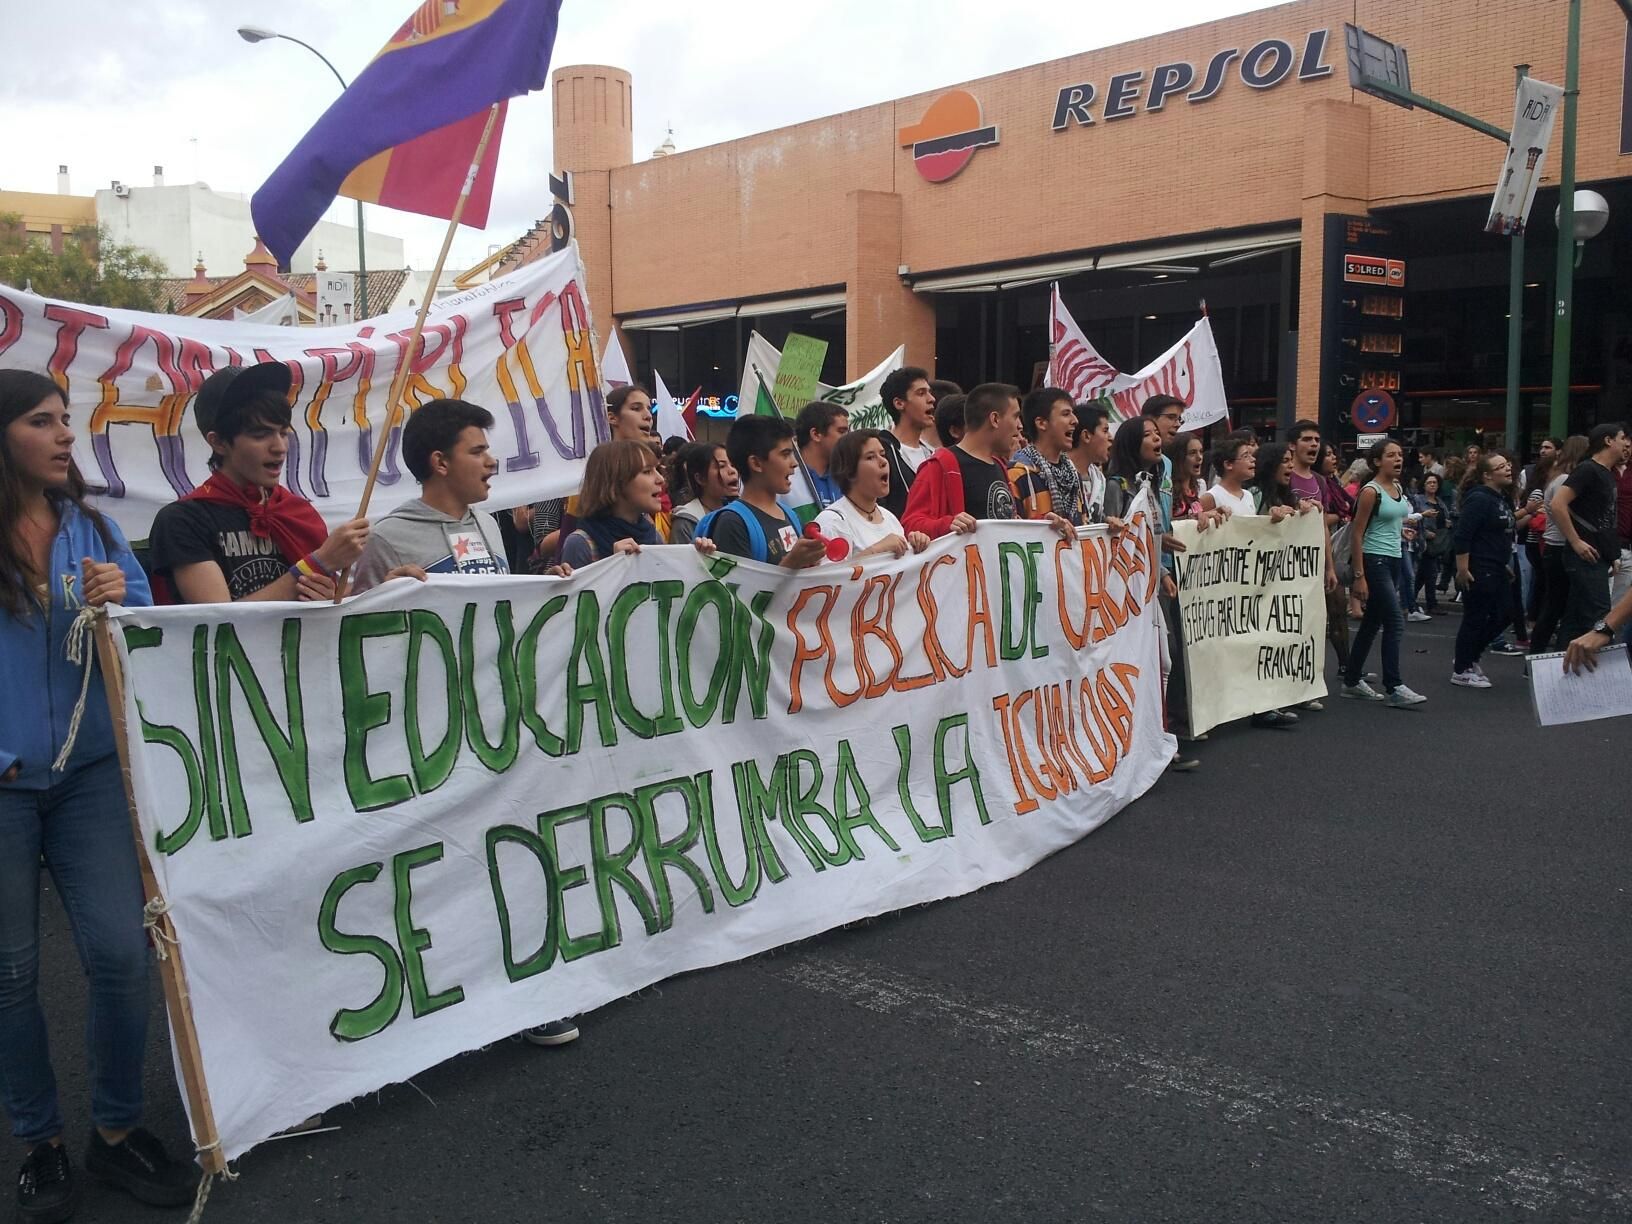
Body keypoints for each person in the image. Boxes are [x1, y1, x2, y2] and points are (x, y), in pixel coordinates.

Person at [0, 369, 202, 1218]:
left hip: (86, 778)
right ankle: (40, 1140)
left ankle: (115, 1132)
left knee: (123, 956)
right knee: (11, 974)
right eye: (42, 422)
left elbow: (150, 617)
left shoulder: (92, 526)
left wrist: (127, 595)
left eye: (66, 420)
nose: (64, 435)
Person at [148, 362, 372, 603]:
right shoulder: (183, 520)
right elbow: (220, 622)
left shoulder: (299, 513)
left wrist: (386, 588)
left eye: (283, 433)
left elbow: (331, 597)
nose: (279, 447)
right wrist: (318, 563)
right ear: (219, 442)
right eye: (260, 434)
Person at [350, 399, 514, 592]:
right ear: (441, 463)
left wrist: (550, 588)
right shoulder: (385, 539)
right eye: (477, 452)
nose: (491, 462)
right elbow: (361, 619)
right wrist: (386, 596)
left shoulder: (489, 525)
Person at [528, 383, 654, 566]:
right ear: (612, 418)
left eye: (649, 409)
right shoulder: (576, 473)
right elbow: (544, 544)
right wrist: (590, 538)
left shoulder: (652, 534)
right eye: (636, 408)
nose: (648, 416)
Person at [1342, 439, 1427, 708]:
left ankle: (1352, 680)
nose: (1398, 459)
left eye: (1400, 455)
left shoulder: (1399, 488)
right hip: (1374, 560)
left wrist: (1401, 530)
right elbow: (1357, 533)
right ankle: (1395, 686)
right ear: (1377, 461)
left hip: (1394, 558)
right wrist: (1359, 575)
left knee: (1372, 623)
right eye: (1391, 455)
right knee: (1395, 620)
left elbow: (1389, 521)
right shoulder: (1370, 491)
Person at [560, 439, 715, 568]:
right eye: (647, 472)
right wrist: (612, 566)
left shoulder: (653, 537)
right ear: (616, 483)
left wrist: (697, 562)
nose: (660, 479)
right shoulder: (581, 544)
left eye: (656, 469)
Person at [698, 415, 826, 568]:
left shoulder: (791, 515)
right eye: (785, 454)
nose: (794, 463)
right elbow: (738, 589)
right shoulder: (732, 523)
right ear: (756, 463)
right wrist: (791, 564)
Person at [902, 383, 1024, 539]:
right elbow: (910, 525)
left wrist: (1043, 525)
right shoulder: (939, 465)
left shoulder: (999, 465)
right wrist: (948, 525)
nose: (1019, 426)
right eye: (1015, 416)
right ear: (995, 419)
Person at [1551, 422, 1630, 647]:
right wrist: (1576, 542)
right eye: (1623, 438)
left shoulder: (1606, 473)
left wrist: (1612, 554)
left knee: (1575, 620)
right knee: (1599, 618)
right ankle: (1602, 678)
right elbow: (1558, 504)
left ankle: (1556, 672)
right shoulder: (1588, 469)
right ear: (1608, 441)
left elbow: (1605, 520)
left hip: (1598, 556)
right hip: (1585, 557)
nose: (1626, 444)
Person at [1449, 453, 1517, 688]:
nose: (1508, 469)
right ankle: (1461, 669)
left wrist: (1504, 564)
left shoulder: (1501, 498)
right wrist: (1462, 568)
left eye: (1508, 465)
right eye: (1501, 467)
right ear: (1487, 475)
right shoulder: (1479, 498)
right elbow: (1463, 534)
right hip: (1479, 566)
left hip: (1497, 566)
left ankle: (1470, 655)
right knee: (1475, 617)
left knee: (1506, 613)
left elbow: (1500, 533)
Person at [813, 430, 931, 559]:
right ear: (849, 471)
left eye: (883, 454)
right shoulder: (832, 522)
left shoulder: (889, 518)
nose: (884, 462)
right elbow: (828, 577)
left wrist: (915, 546)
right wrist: (876, 550)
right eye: (870, 457)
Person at [1529, 435, 1587, 653]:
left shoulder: (1558, 478)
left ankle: (1539, 654)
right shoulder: (1565, 480)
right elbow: (1561, 511)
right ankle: (1541, 655)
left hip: (1554, 546)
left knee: (1554, 605)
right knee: (1557, 606)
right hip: (1559, 546)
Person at [1009, 387, 1085, 525]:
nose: (1075, 420)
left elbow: (1083, 524)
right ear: (1041, 423)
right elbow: (1014, 529)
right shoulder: (1017, 474)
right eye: (1066, 414)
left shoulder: (1073, 476)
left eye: (1072, 414)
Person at [878, 366, 936, 518]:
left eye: (929, 392)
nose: (931, 399)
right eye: (921, 393)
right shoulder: (881, 453)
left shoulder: (934, 455)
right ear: (899, 403)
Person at [668, 442, 739, 545]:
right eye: (722, 466)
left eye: (733, 465)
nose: (732, 470)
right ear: (700, 478)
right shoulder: (686, 521)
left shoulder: (740, 512)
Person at [790, 400, 849, 522]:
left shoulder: (847, 478)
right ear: (816, 434)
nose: (848, 438)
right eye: (841, 432)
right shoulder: (786, 478)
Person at [1068, 402, 1124, 525]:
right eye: (1105, 431)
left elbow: (1095, 516)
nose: (1111, 437)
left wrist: (1106, 521)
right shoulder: (1058, 472)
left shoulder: (1099, 478)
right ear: (1086, 436)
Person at [1412, 472, 1451, 616]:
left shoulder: (1440, 502)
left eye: (1435, 482)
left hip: (1437, 543)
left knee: (1424, 574)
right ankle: (1429, 604)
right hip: (1423, 542)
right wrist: (1425, 532)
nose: (1433, 485)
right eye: (1429, 482)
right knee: (1429, 573)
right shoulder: (1418, 500)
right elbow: (1413, 518)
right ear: (1424, 484)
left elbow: (1444, 517)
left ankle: (1411, 601)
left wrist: (1446, 524)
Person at [1207, 436, 1258, 518]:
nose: (1253, 459)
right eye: (1245, 456)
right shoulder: (1211, 497)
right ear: (1228, 464)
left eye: (1251, 455)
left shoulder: (1248, 495)